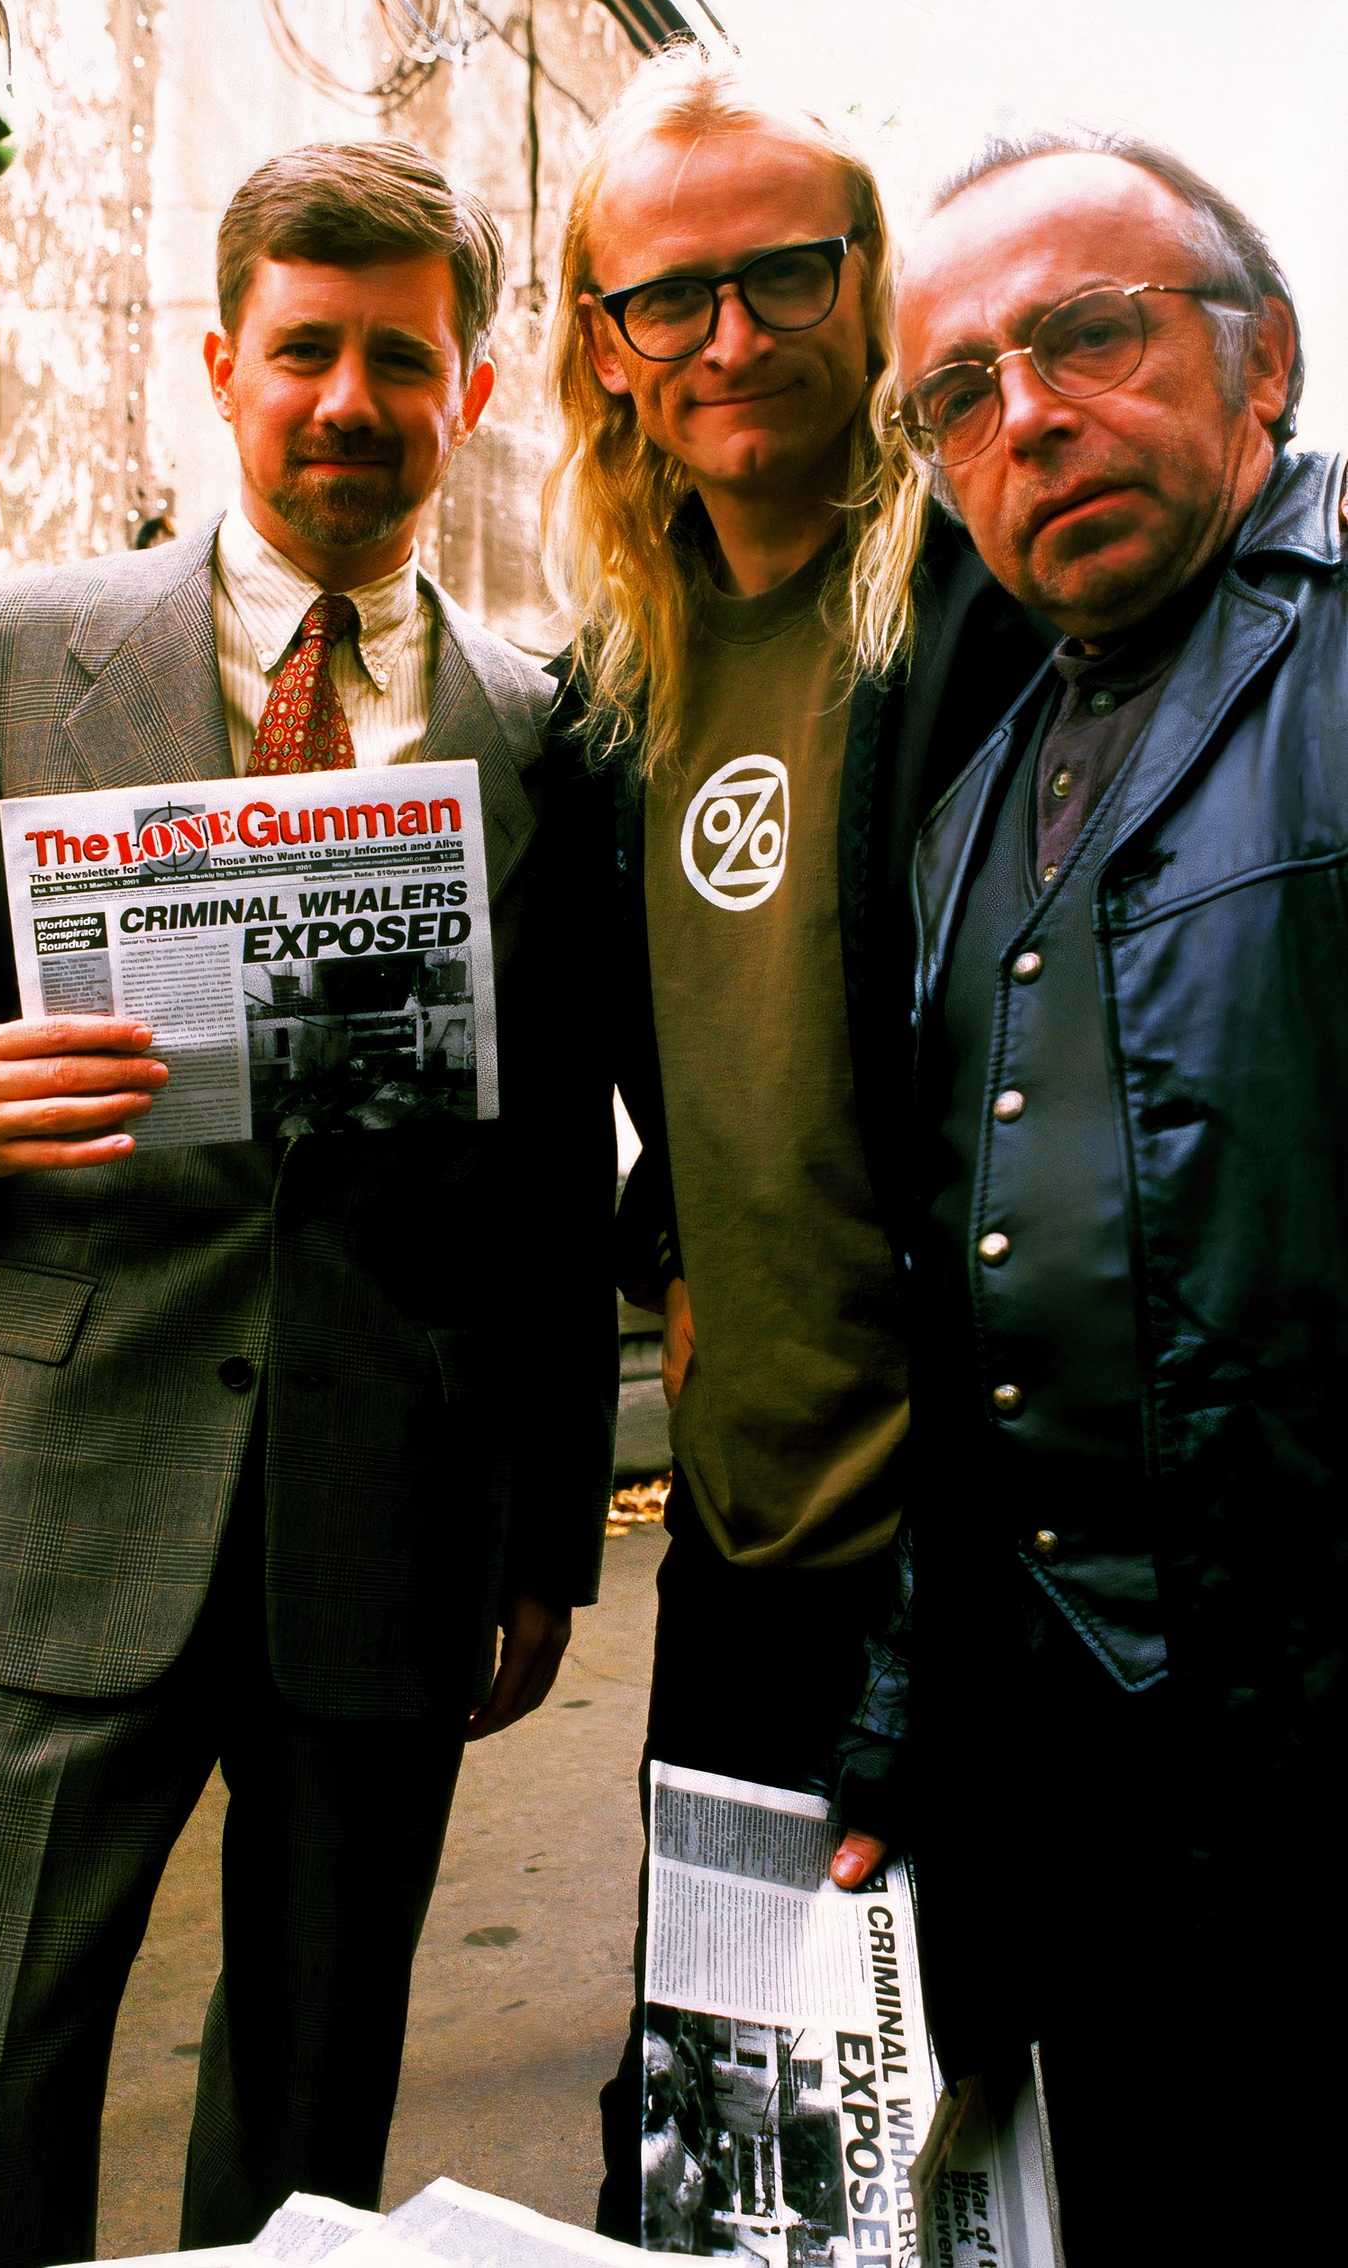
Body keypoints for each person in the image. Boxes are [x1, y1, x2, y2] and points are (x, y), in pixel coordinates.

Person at [0, 139, 615, 2268]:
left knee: (309, 2141)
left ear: (467, 394)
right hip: (52, 1493)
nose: (350, 401)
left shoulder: (542, 734)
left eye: (403, 359)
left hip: (380, 1525)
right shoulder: (10, 651)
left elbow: (553, 1168)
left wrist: (541, 1531)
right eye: (306, 351)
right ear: (220, 361)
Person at [540, 48, 1047, 2239]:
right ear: (608, 352)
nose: (730, 334)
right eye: (671, 297)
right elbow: (692, 1056)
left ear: (874, 288)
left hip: (1002, 1557)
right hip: (747, 1554)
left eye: (782, 274)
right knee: (744, 2154)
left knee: (996, 2142)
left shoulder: (1000, 623)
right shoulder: (612, 685)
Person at [829, 129, 1344, 2258]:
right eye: (958, 392)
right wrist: (895, 1718)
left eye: (1091, 335)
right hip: (1081, 1783)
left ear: (1265, 361)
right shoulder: (970, 805)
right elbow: (980, 1310)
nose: (1026, 414)